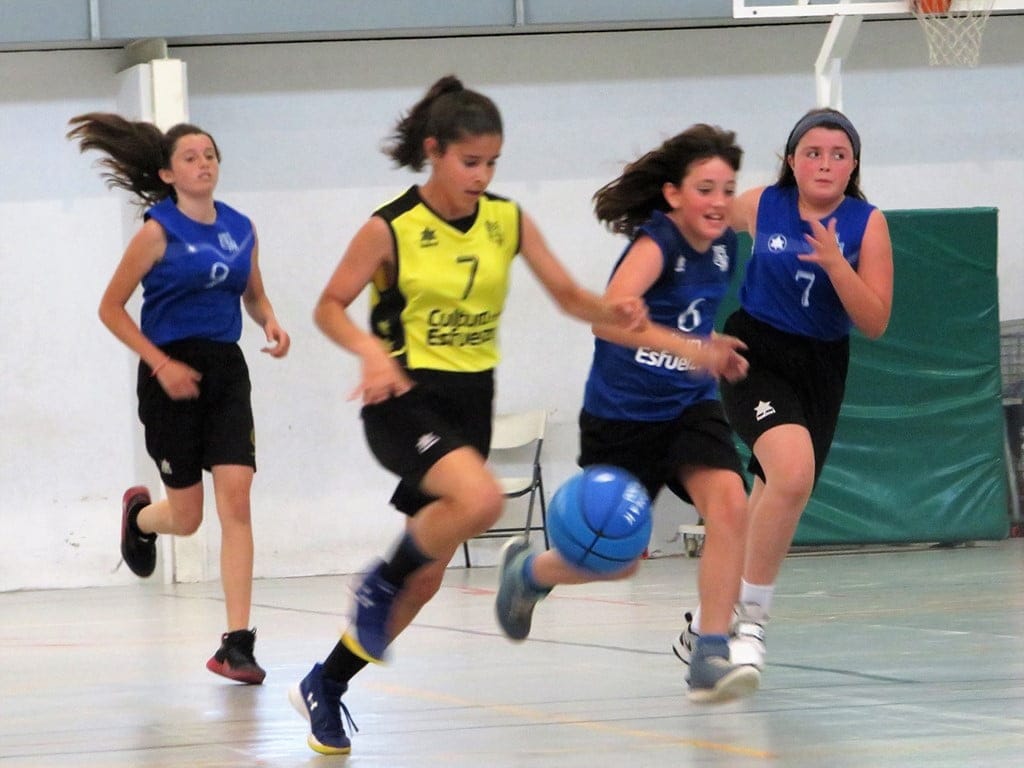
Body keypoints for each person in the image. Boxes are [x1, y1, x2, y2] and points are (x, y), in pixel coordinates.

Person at [288, 75, 649, 756]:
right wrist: (369, 352)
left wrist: (614, 312)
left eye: (492, 163)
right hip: (402, 397)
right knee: (482, 498)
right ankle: (378, 581)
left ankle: (325, 683)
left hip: (468, 405)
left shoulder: (507, 221)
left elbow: (570, 295)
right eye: (470, 162)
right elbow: (328, 305)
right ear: (435, 152)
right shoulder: (390, 227)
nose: (482, 176)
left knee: (424, 584)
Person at [494, 124, 760, 703]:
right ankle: (530, 573)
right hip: (623, 417)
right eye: (706, 189)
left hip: (689, 407)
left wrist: (709, 346)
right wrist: (696, 350)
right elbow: (607, 320)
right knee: (617, 564)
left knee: (731, 504)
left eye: (727, 189)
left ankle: (710, 651)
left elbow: (687, 320)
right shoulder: (654, 244)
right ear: (673, 195)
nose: (718, 202)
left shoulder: (724, 246)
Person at [67, 113, 291, 685]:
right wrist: (161, 363)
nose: (204, 163)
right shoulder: (156, 231)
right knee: (187, 519)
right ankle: (141, 517)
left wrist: (271, 323)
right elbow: (110, 308)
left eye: (210, 154)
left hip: (225, 371)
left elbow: (256, 294)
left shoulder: (242, 227)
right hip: (169, 372)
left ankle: (236, 643)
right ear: (168, 172)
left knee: (236, 500)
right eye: (190, 157)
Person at [710, 107, 893, 672]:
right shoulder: (764, 204)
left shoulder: (868, 223)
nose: (825, 163)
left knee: (775, 491)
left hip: (821, 365)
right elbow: (697, 233)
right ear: (792, 159)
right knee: (790, 473)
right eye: (813, 152)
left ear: (853, 165)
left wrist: (839, 264)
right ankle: (751, 624)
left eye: (839, 155)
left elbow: (876, 320)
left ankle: (709, 618)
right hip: (755, 352)